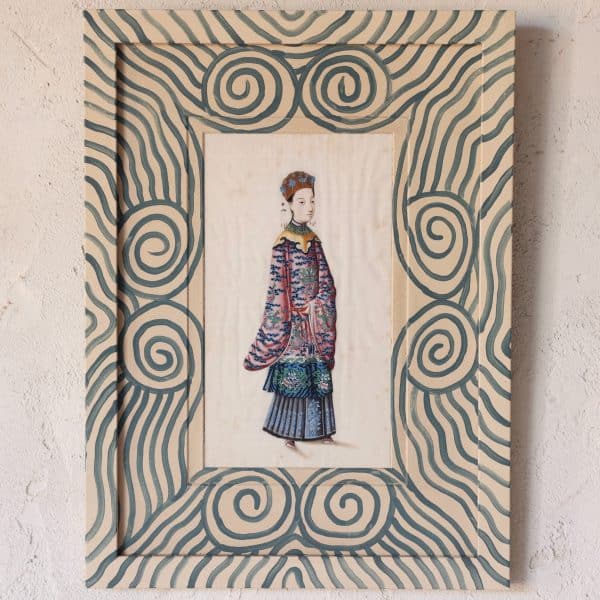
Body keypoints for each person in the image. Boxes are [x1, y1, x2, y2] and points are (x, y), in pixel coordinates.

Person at [243, 170, 337, 449]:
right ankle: (289, 432)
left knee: (317, 373)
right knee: (294, 376)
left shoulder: (315, 242)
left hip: (315, 323)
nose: (309, 207)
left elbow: (327, 282)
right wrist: (291, 313)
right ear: (289, 205)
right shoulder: (282, 243)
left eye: (312, 201)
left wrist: (317, 304)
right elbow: (277, 287)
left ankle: (321, 430)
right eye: (302, 202)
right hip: (292, 324)